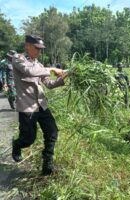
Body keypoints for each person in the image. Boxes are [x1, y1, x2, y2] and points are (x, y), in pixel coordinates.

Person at [12, 35, 70, 175]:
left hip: (42, 105)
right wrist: (51, 69)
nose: (39, 51)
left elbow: (49, 84)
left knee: (52, 132)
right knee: (28, 139)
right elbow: (29, 72)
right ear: (27, 46)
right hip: (27, 106)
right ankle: (17, 144)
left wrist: (64, 76)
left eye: (40, 49)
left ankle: (47, 164)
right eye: (37, 48)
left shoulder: (39, 64)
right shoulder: (18, 59)